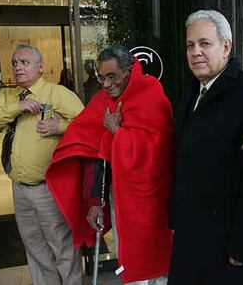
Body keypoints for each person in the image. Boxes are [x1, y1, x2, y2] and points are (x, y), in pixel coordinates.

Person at [168, 10, 243, 285]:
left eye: (204, 43)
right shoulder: (190, 94)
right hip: (188, 243)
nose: (195, 52)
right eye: (190, 45)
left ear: (226, 46)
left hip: (227, 251)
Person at [46, 45, 174, 284]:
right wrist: (94, 202)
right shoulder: (101, 102)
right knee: (132, 263)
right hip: (121, 202)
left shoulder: (152, 93)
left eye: (111, 76)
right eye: (101, 77)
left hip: (156, 203)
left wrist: (117, 131)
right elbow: (93, 156)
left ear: (128, 71)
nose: (105, 84)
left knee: (159, 267)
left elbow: (158, 152)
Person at [0, 44, 84, 284]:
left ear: (41, 67)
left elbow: (88, 125)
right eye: (15, 63)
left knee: (63, 249)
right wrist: (17, 108)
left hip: (50, 188)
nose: (18, 67)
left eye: (25, 62)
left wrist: (61, 127)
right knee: (35, 249)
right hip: (20, 189)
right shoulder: (8, 97)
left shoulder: (58, 94)